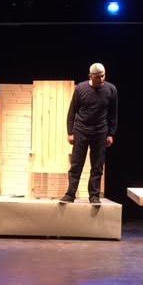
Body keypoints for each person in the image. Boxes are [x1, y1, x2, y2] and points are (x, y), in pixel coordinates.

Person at [60, 62, 118, 205]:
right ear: (90, 76)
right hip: (81, 130)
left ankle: (94, 196)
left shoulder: (111, 89)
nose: (101, 79)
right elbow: (72, 112)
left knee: (97, 166)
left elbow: (113, 114)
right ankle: (70, 194)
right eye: (98, 77)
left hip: (100, 132)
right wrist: (70, 132)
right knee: (76, 164)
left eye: (103, 76)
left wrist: (111, 133)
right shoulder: (81, 88)